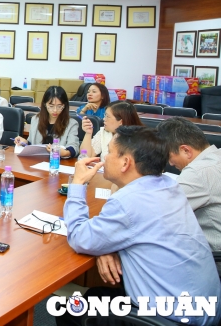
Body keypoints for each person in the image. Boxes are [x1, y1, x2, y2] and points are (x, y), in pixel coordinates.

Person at [58, 126, 221, 326]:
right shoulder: (169, 186)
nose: (104, 157)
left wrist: (78, 183)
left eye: (109, 151)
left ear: (126, 162)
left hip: (173, 317)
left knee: (69, 310)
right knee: (95, 294)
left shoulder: (128, 203)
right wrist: (106, 245)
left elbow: (79, 238)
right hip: (205, 306)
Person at [157, 117, 221, 273]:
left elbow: (157, 213)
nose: (170, 164)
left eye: (169, 156)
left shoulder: (198, 172)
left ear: (186, 150)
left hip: (212, 260)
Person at [14, 86, 79, 158]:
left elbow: (74, 147)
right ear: (45, 104)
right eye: (51, 106)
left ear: (65, 105)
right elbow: (32, 143)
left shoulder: (72, 124)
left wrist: (64, 153)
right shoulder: (36, 120)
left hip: (58, 162)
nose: (55, 110)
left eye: (59, 106)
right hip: (37, 161)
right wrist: (24, 142)